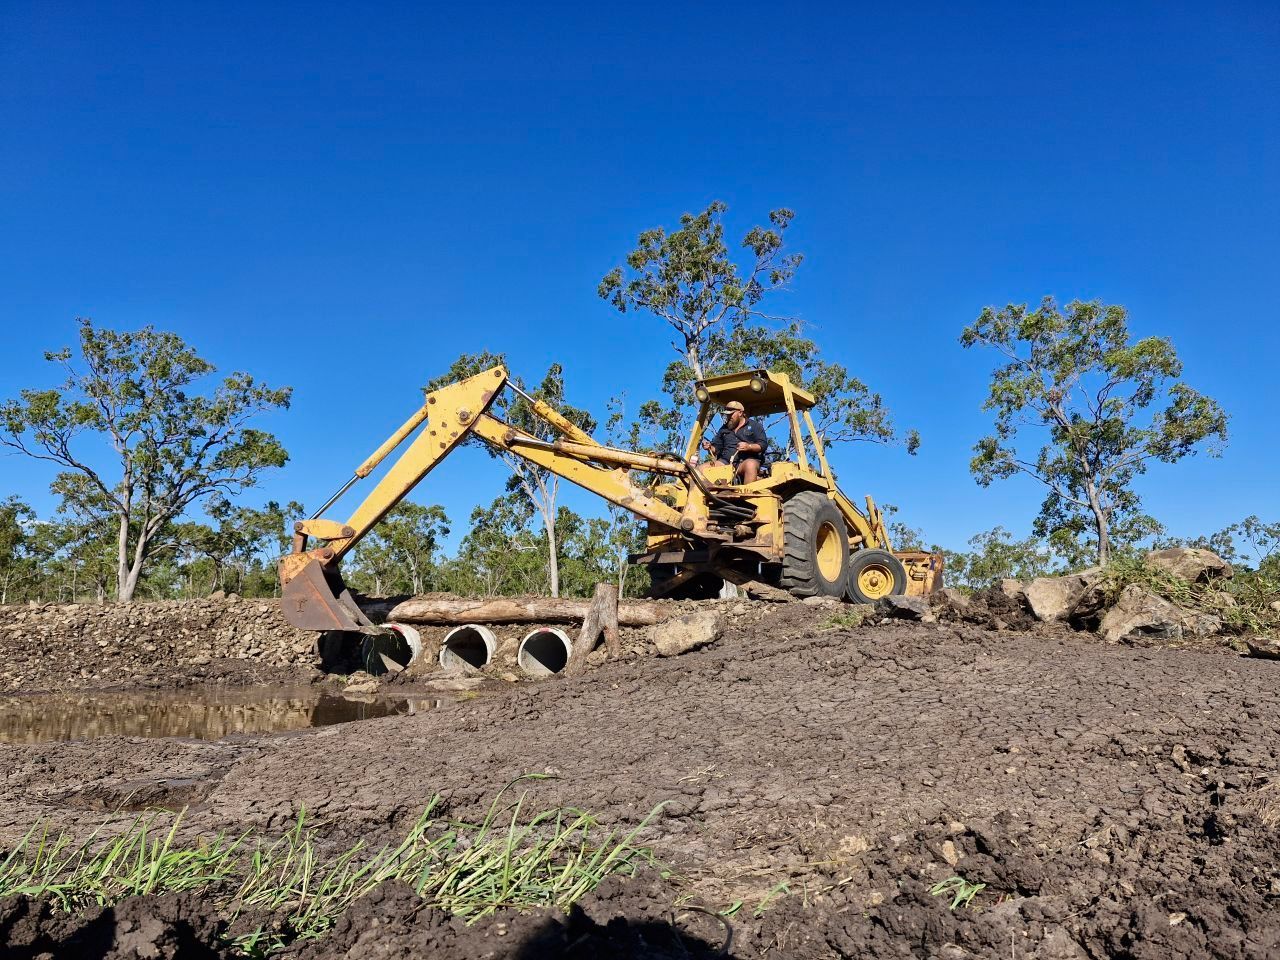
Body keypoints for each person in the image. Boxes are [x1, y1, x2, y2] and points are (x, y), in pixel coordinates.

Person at [701, 400, 769, 483]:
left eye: (731, 414)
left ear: (740, 413)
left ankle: (747, 494)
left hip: (745, 462)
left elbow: (762, 445)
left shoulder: (754, 426)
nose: (728, 417)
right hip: (725, 463)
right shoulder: (723, 429)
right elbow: (716, 449)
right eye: (727, 415)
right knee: (701, 469)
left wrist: (749, 447)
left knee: (750, 465)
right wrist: (709, 447)